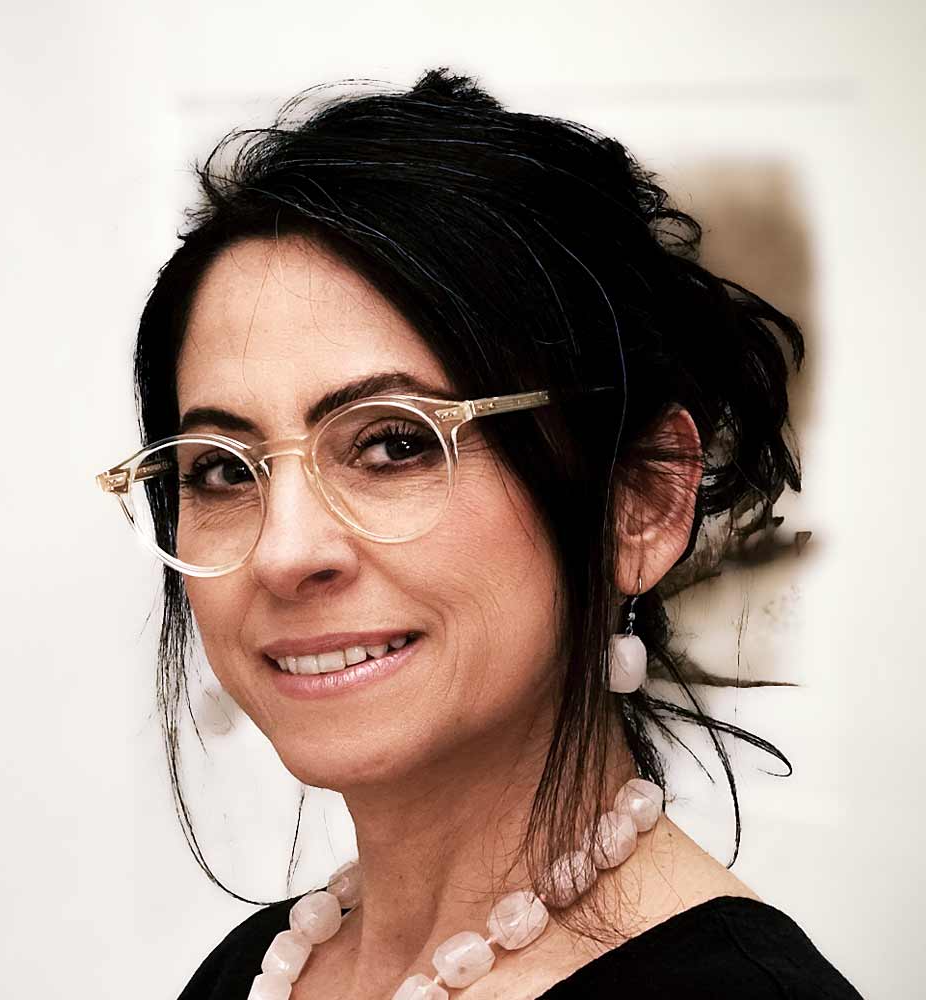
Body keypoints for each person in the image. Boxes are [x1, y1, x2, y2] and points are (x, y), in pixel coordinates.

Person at [96, 68, 863, 999]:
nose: (284, 553)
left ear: (641, 498)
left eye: (394, 444)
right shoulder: (252, 971)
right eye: (222, 469)